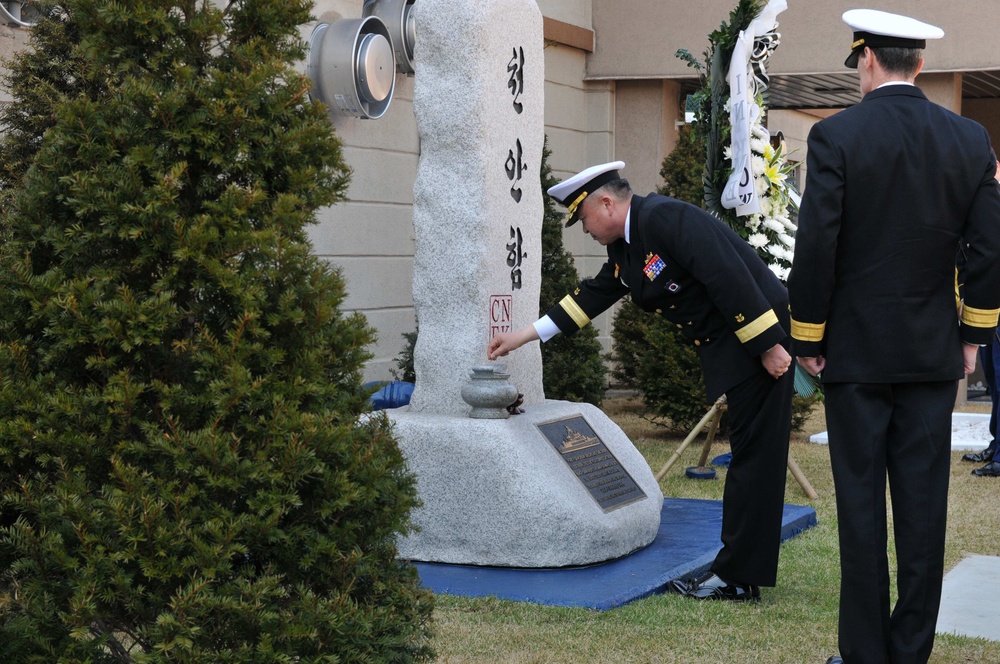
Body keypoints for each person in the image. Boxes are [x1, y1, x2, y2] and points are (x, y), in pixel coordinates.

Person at [787, 9, 1000, 664]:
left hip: (854, 352)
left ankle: (864, 654)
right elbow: (989, 249)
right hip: (933, 354)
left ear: (867, 60)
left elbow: (818, 244)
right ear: (922, 64)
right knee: (923, 513)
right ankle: (910, 653)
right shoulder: (969, 140)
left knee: (860, 511)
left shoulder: (836, 136)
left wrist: (809, 335)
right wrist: (972, 337)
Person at [487, 160, 795, 602]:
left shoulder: (665, 219)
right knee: (752, 457)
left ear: (607, 203)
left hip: (755, 340)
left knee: (755, 461)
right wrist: (523, 337)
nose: (584, 230)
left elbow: (727, 274)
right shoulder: (628, 248)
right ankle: (738, 570)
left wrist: (768, 344)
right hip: (737, 344)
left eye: (583, 218)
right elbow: (590, 298)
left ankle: (737, 576)